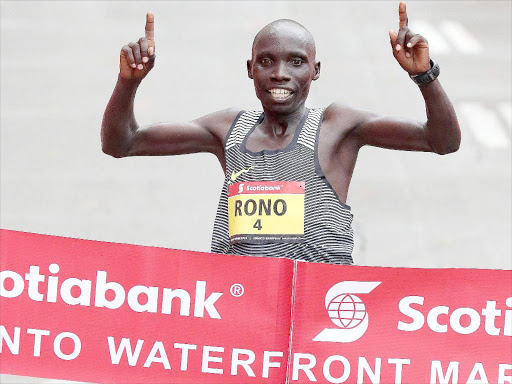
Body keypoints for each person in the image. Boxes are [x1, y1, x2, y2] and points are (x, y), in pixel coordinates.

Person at [101, 2, 461, 265]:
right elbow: (122, 143)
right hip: (247, 316)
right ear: (250, 69)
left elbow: (443, 141)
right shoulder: (228, 130)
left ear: (315, 70)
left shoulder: (337, 128)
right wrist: (127, 82)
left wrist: (425, 75)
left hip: (319, 320)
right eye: (267, 61)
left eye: (296, 61)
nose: (280, 74)